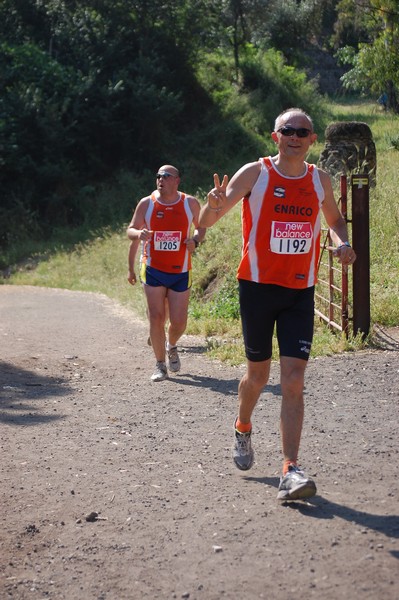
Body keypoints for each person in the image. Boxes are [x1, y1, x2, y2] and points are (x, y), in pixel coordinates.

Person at [199, 108, 356, 501]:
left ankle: (290, 469)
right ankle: (243, 425)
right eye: (288, 130)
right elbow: (209, 220)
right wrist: (213, 204)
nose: (295, 136)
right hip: (256, 288)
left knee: (293, 380)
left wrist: (342, 243)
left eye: (303, 131)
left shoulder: (319, 180)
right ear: (275, 136)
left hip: (299, 291)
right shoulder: (256, 173)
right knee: (257, 377)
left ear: (312, 139)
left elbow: (335, 221)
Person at [127, 165, 206, 382]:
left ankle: (172, 346)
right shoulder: (147, 203)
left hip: (181, 270)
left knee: (179, 322)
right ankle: (160, 364)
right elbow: (130, 229)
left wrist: (195, 241)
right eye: (158, 176)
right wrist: (139, 233)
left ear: (177, 181)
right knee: (156, 316)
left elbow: (201, 227)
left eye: (166, 176)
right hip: (153, 268)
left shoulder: (190, 203)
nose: (161, 179)